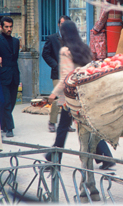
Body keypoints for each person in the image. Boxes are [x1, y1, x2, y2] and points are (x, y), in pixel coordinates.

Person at [45, 20, 114, 167]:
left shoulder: (65, 50)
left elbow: (65, 77)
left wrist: (53, 94)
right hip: (84, 94)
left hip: (69, 96)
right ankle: (106, 157)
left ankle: (54, 159)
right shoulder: (84, 48)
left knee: (63, 128)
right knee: (88, 126)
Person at [42, 15, 75, 133]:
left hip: (70, 74)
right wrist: (55, 65)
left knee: (70, 98)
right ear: (58, 25)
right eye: (62, 24)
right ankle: (52, 122)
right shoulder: (52, 38)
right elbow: (45, 54)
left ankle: (67, 124)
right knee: (57, 97)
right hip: (57, 73)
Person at [0, 16, 20, 137]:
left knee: (13, 102)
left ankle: (3, 123)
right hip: (3, 76)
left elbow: (15, 58)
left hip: (14, 75)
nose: (9, 29)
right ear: (1, 27)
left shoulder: (16, 41)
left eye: (10, 27)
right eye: (6, 27)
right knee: (7, 102)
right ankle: (9, 128)